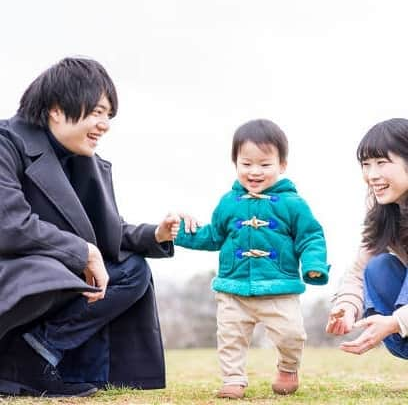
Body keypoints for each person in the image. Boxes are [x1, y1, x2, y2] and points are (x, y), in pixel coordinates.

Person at [0, 57, 182, 397]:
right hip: (15, 274)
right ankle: (17, 359)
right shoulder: (5, 143)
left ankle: (37, 353)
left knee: (131, 268)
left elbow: (106, 232)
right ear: (56, 108)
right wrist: (81, 251)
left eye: (108, 116)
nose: (105, 125)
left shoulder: (84, 161)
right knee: (55, 267)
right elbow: (7, 224)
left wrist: (154, 235)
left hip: (47, 273)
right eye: (97, 112)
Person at [175, 119, 330, 399]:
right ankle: (233, 378)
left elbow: (311, 237)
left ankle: (287, 367)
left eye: (264, 164)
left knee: (291, 334)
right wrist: (183, 233)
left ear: (282, 165)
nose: (255, 171)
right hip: (233, 288)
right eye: (246, 164)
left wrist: (314, 265)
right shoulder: (228, 203)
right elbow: (214, 236)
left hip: (279, 288)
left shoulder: (293, 204)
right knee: (230, 337)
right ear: (235, 163)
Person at [326, 118, 408, 359]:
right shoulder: (385, 212)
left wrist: (396, 322)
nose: (372, 175)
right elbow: (359, 271)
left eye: (382, 163)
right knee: (377, 268)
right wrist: (347, 307)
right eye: (366, 164)